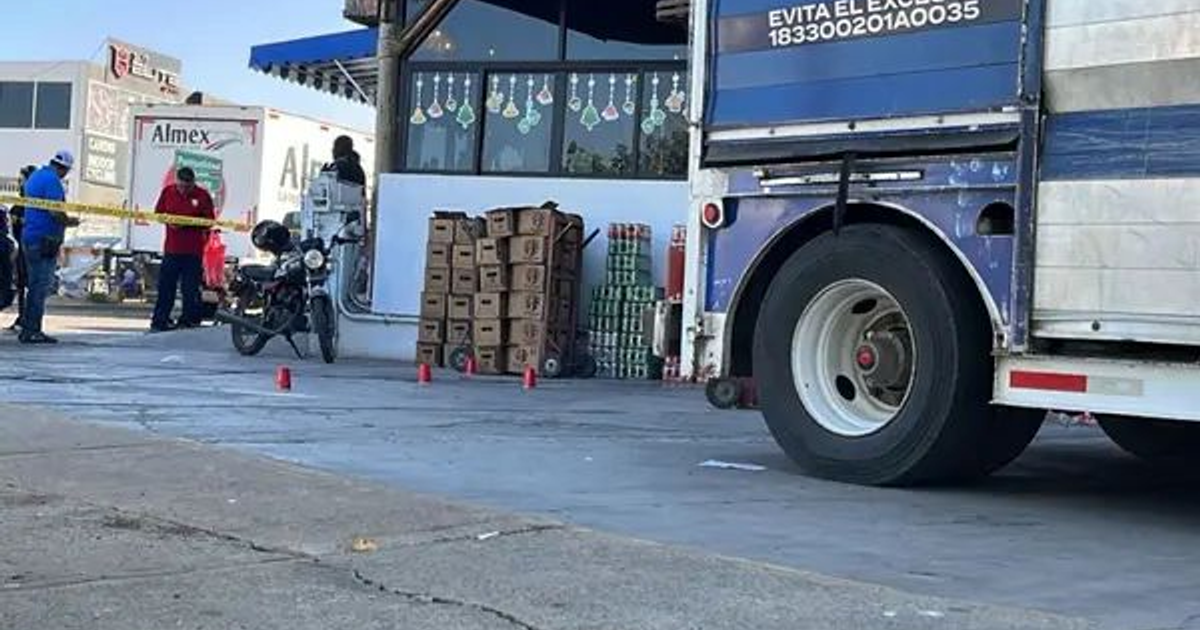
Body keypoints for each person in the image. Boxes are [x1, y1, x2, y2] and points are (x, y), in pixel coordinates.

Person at [20, 151, 78, 344]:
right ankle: (32, 330)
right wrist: (70, 221)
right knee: (40, 287)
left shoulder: (36, 176)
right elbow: (55, 212)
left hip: (30, 236)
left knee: (34, 285)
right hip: (44, 240)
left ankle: (27, 327)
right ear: (63, 168)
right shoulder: (52, 181)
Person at [150, 167, 214, 332]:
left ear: (193, 183)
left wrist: (188, 223)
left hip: (193, 251)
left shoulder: (202, 195)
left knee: (189, 289)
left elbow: (209, 221)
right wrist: (169, 221)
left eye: (187, 187)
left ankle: (188, 320)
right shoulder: (168, 192)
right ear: (176, 181)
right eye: (181, 186)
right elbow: (158, 213)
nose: (184, 190)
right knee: (166, 288)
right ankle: (160, 320)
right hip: (172, 249)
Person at [7, 165, 37, 331]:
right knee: (20, 284)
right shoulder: (20, 203)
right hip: (18, 248)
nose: (21, 184)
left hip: (30, 248)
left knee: (30, 285)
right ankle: (22, 317)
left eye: (23, 180)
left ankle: (28, 319)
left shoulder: (33, 203)